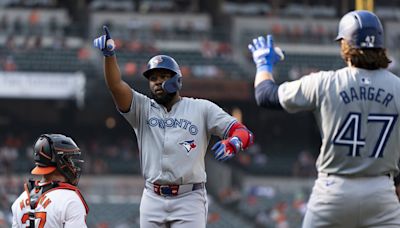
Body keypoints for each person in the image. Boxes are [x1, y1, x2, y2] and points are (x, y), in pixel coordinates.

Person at [248, 10, 400, 227]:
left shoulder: (324, 83)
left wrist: (264, 64)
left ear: (345, 46)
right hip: (381, 192)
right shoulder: (398, 87)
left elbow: (265, 95)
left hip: (334, 191)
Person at [93, 26, 254, 228]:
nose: (157, 82)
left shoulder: (201, 107)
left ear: (177, 80)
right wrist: (109, 55)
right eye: (153, 78)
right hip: (153, 196)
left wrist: (234, 142)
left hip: (189, 197)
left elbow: (242, 132)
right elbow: (116, 85)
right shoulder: (142, 108)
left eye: (163, 76)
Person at [11, 134, 88, 228]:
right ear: (60, 161)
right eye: (68, 159)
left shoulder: (20, 200)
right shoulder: (70, 200)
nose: (72, 164)